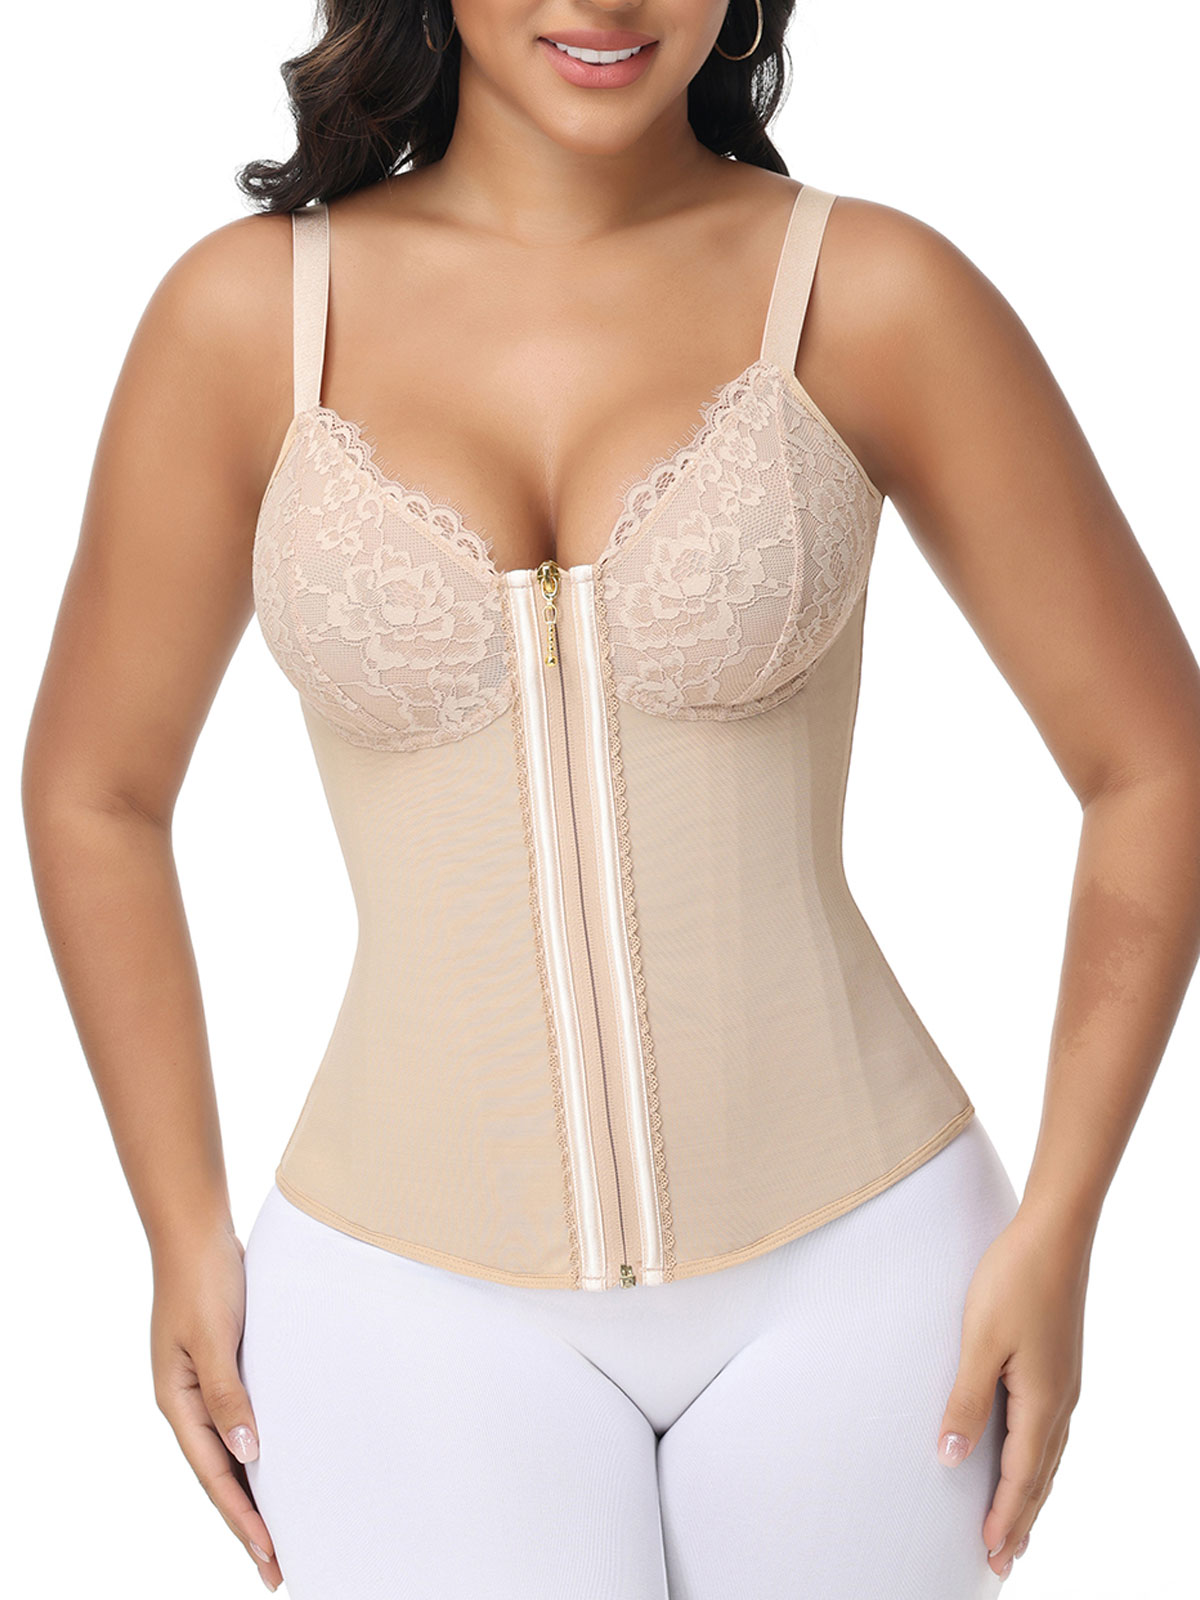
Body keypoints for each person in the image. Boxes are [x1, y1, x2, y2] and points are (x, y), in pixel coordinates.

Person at [21, 0, 1200, 1596]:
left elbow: (1155, 762)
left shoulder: (869, 292)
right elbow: (94, 786)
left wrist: (1064, 1222)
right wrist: (178, 1228)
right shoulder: (247, 319)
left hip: (869, 1283)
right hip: (402, 1302)